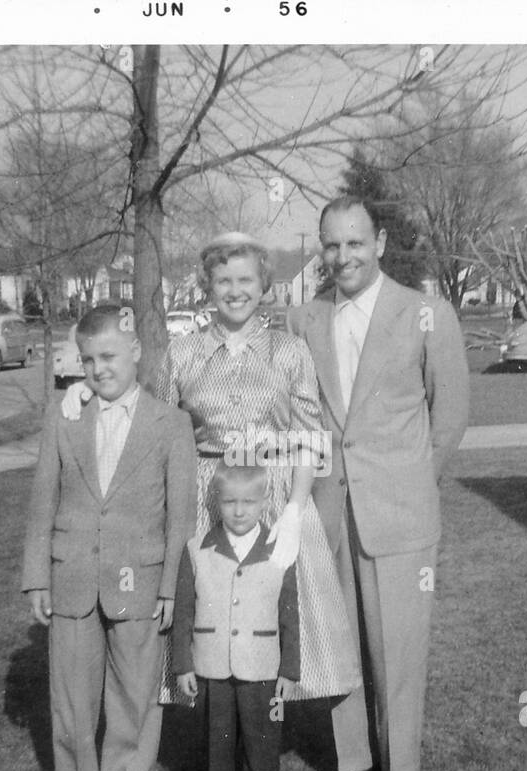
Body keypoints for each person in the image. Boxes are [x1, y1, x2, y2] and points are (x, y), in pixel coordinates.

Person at [62, 233, 359, 709]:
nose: (235, 290)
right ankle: (215, 723)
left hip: (274, 494)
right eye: (223, 280)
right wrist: (90, 392)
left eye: (245, 279)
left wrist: (295, 512)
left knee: (269, 611)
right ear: (208, 287)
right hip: (205, 497)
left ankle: (263, 729)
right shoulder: (184, 353)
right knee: (213, 611)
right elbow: (149, 421)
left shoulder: (289, 351)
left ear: (264, 285)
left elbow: (308, 440)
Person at [287, 195, 470, 771]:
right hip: (329, 511)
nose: (343, 257)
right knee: (340, 647)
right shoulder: (303, 320)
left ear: (381, 242)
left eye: (355, 243)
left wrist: (414, 481)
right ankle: (354, 765)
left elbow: (450, 415)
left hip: (400, 515)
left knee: (397, 649)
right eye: (332, 245)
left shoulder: (426, 314)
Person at [21, 304, 196, 771]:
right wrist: (36, 576)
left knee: (136, 698)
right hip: (71, 574)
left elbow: (180, 517)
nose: (99, 370)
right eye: (88, 359)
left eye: (110, 357)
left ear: (137, 353)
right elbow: (41, 501)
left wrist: (169, 589)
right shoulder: (67, 415)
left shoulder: (171, 424)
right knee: (72, 698)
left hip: (140, 581)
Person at [172, 461, 299, 771]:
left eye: (248, 501)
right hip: (213, 668)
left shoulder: (280, 550)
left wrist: (289, 669)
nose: (239, 511)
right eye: (229, 502)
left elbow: (290, 613)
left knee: (263, 748)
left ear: (264, 501)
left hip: (263, 671)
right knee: (219, 749)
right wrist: (183, 664)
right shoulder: (197, 549)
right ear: (216, 502)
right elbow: (183, 611)